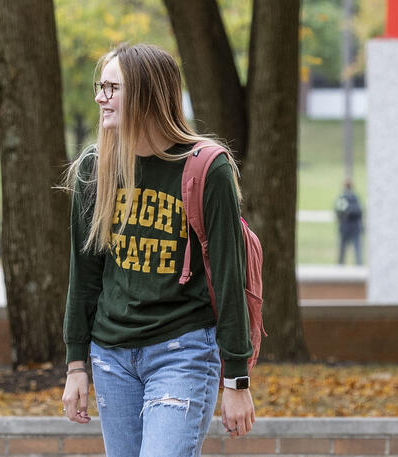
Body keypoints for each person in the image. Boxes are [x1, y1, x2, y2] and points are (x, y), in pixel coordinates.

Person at [60, 43, 256, 457]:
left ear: (147, 93)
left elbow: (229, 279)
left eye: (112, 87)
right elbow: (84, 276)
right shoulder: (96, 169)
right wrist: (76, 364)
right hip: (111, 357)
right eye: (101, 86)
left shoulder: (207, 168)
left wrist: (236, 380)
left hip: (182, 352)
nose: (100, 97)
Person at [334, 179, 363, 265]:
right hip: (351, 227)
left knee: (348, 250)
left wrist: (347, 211)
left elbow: (339, 212)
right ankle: (356, 266)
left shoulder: (345, 198)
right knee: (353, 250)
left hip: (347, 227)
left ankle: (341, 266)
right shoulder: (353, 198)